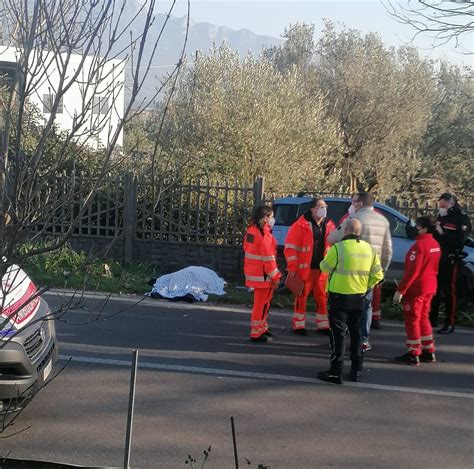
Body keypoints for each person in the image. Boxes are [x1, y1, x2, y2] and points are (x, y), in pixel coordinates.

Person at [317, 218, 384, 384]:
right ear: (359, 232)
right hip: (359, 298)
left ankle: (335, 372)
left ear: (345, 231)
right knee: (357, 335)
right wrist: (366, 286)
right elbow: (378, 275)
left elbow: (324, 268)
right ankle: (356, 371)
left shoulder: (338, 248)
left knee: (338, 336)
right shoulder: (370, 250)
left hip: (339, 297)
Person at [328, 192, 392, 351]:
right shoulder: (383, 221)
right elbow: (387, 250)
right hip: (371, 270)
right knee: (367, 305)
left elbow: (332, 239)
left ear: (359, 204)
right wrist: (381, 271)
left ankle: (347, 339)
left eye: (353, 202)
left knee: (349, 307)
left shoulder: (354, 219)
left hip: (352, 269)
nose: (351, 205)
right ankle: (363, 339)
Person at [284, 197, 335, 335]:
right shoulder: (299, 225)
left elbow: (333, 245)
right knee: (301, 297)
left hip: (322, 269)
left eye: (325, 206)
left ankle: (323, 325)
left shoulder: (329, 225)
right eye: (321, 206)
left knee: (322, 297)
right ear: (313, 209)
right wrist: (293, 267)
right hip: (304, 268)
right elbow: (290, 248)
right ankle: (299, 326)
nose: (324, 208)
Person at [393, 217, 441, 365]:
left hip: (417, 288)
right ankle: (428, 350)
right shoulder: (435, 244)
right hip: (430, 286)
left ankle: (413, 353)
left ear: (424, 229)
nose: (414, 229)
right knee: (423, 317)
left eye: (417, 227)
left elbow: (412, 272)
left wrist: (401, 290)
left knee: (412, 318)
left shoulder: (419, 246)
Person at [429, 193, 472, 334]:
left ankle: (450, 322)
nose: (441, 208)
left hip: (451, 258)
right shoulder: (443, 217)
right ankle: (432, 318)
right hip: (438, 257)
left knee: (449, 290)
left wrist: (442, 233)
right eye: (440, 206)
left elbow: (459, 240)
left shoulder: (461, 219)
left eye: (443, 205)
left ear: (451, 203)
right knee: (435, 289)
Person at [243, 205, 282, 343]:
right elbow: (269, 259)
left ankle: (262, 327)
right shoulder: (264, 235)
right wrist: (276, 277)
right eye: (271, 217)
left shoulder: (251, 231)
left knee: (262, 304)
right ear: (265, 218)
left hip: (256, 274)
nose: (273, 220)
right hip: (264, 276)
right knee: (262, 305)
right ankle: (257, 332)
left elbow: (248, 250)